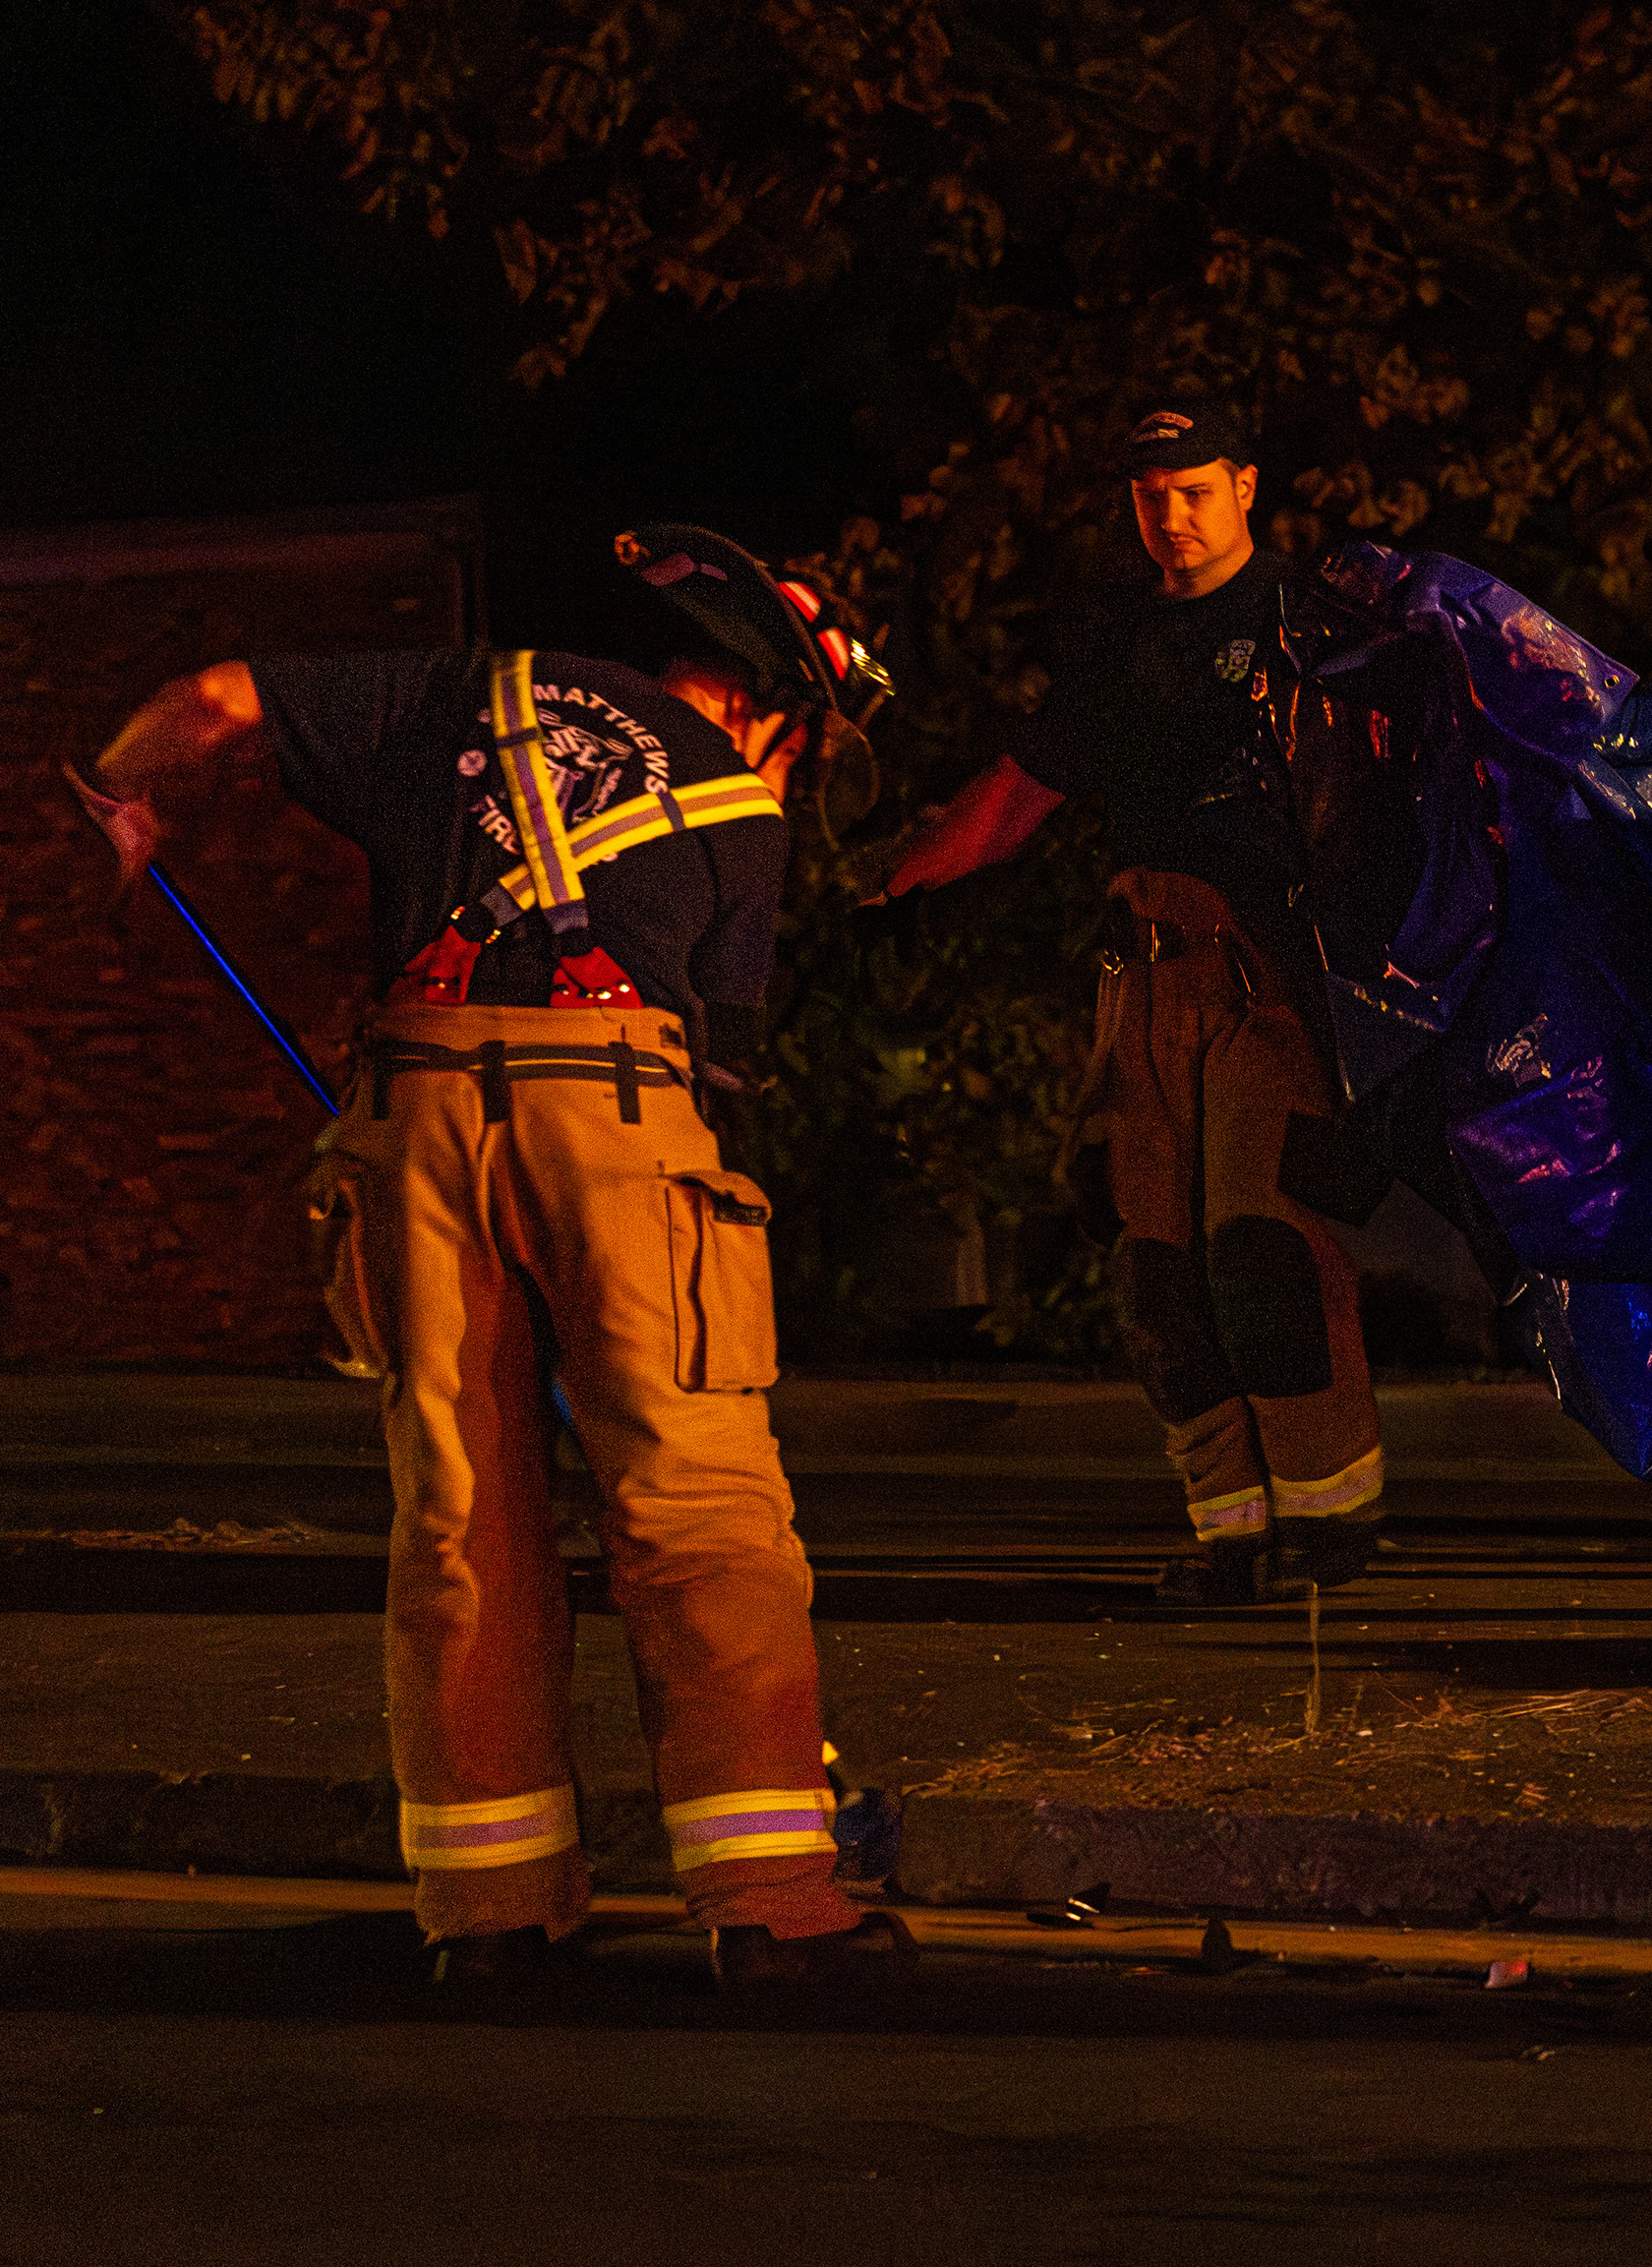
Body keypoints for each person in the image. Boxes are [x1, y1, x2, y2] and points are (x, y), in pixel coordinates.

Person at [77, 525, 914, 1986]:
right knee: (696, 1498)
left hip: (418, 1121)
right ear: (771, 704)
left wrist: (125, 798)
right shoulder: (736, 797)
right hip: (621, 1115)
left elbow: (210, 701)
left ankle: (492, 1910)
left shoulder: (461, 690)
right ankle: (772, 1906)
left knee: (460, 1515)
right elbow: (729, 1049)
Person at [873, 402, 1386, 1607]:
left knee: (1264, 1248)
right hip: (1141, 980)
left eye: (1196, 487)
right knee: (1155, 1268)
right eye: (1152, 492)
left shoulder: (1312, 625)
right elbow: (1025, 788)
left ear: (1247, 485)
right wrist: (894, 879)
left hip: (1266, 975)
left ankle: (1331, 1521)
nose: (1173, 513)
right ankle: (1233, 1530)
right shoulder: (1115, 644)